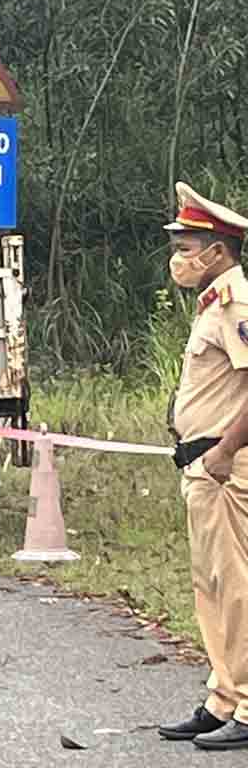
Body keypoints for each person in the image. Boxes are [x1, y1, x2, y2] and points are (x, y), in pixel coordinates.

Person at [158, 183, 248, 751]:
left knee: (238, 585)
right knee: (212, 585)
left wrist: (223, 452)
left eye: (188, 245)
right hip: (204, 466)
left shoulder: (238, 300)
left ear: (217, 251)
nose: (179, 257)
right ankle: (224, 695)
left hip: (228, 466)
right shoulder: (214, 302)